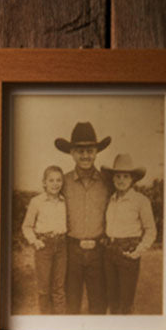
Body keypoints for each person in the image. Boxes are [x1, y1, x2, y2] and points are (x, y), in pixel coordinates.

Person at [54, 121, 112, 314]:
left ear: (96, 152)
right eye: (80, 151)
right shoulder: (63, 182)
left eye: (90, 150)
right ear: (72, 153)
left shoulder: (108, 182)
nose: (85, 155)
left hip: (99, 251)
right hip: (72, 251)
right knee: (72, 304)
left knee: (99, 305)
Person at [101, 153, 157, 314]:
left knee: (125, 303)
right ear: (112, 179)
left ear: (132, 179)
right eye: (117, 176)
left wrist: (138, 251)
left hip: (128, 252)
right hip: (110, 252)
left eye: (126, 176)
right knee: (112, 300)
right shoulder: (111, 199)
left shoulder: (141, 201)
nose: (121, 180)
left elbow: (151, 230)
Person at [21, 164, 67, 313]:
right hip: (44, 246)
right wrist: (35, 241)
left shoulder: (64, 201)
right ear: (44, 183)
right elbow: (26, 226)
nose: (55, 184)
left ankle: (59, 326)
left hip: (62, 246)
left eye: (58, 180)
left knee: (59, 288)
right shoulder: (37, 202)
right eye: (51, 180)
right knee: (44, 288)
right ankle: (46, 322)